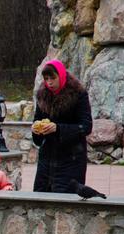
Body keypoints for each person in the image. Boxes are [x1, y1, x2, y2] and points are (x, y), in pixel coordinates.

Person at [32, 59, 92, 193]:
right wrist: (36, 129)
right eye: (46, 78)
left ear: (61, 75)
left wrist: (58, 129)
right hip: (46, 160)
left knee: (66, 204)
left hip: (71, 160)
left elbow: (86, 126)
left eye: (53, 78)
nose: (49, 82)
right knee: (40, 201)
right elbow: (37, 122)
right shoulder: (43, 96)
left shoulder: (78, 94)